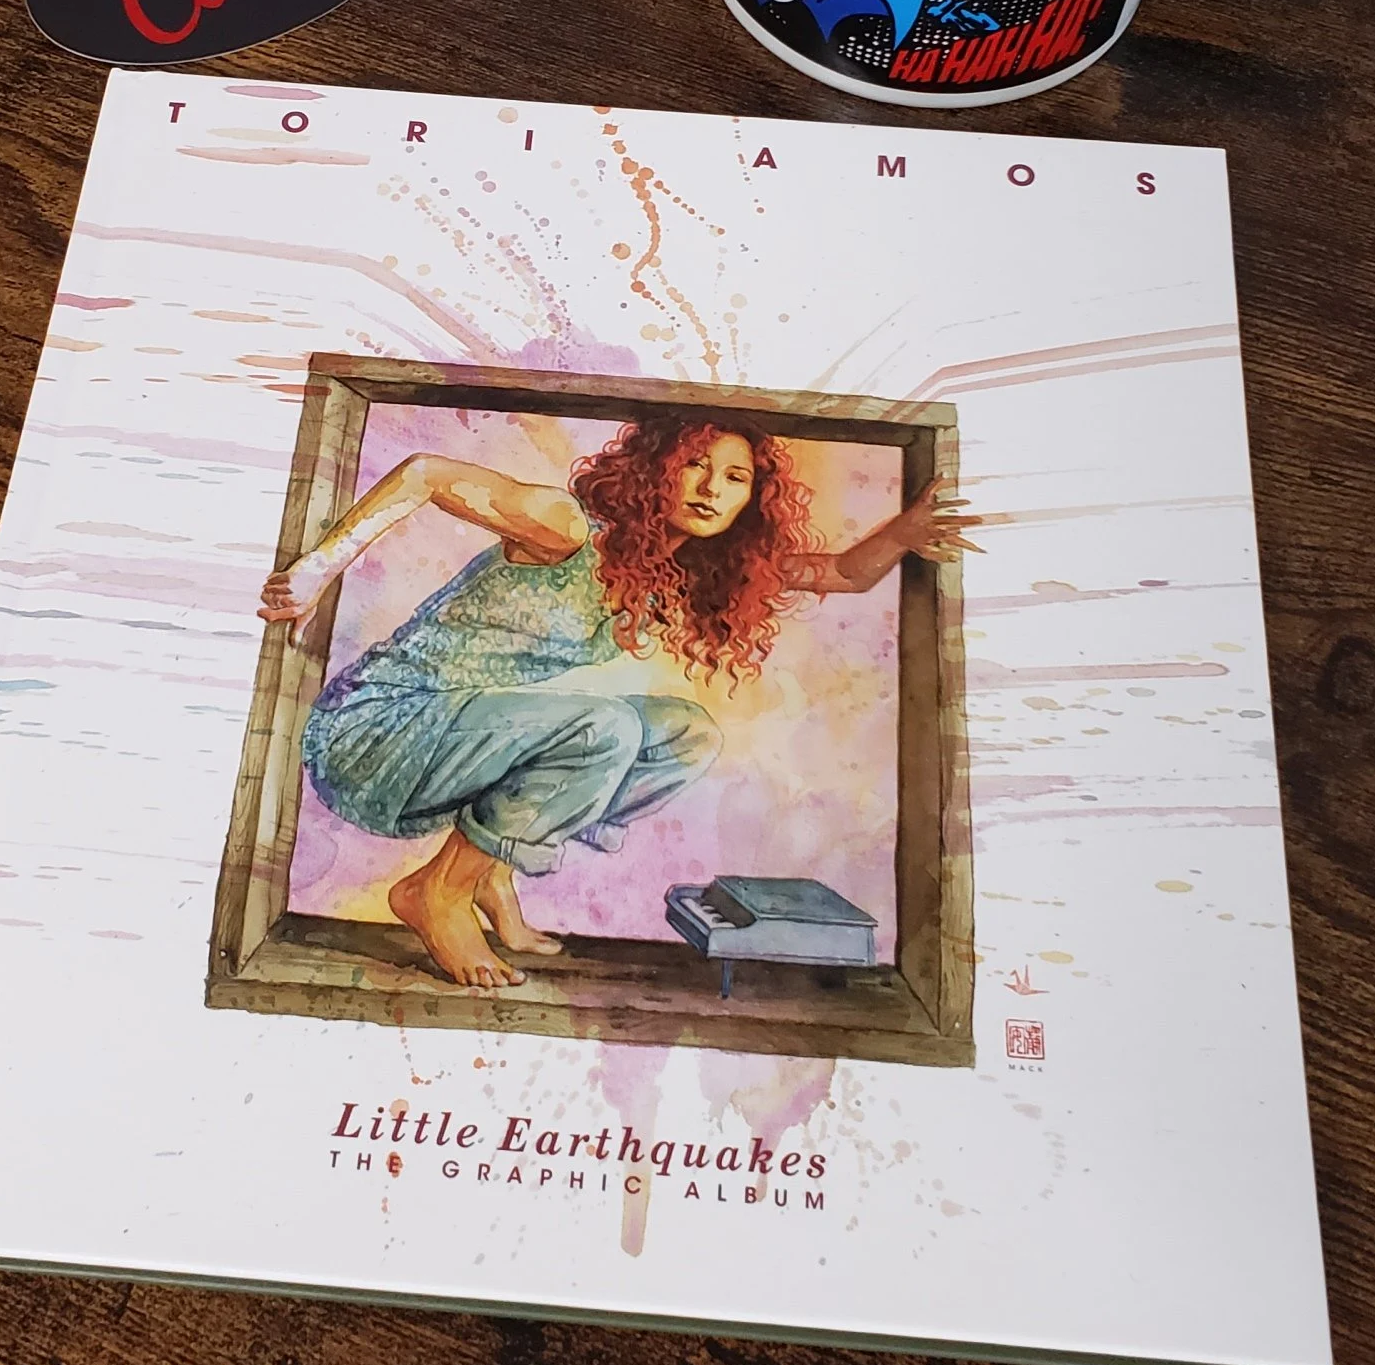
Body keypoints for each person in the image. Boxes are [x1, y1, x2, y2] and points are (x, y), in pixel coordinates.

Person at [259, 415, 977, 989]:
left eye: (735, 478)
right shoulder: (566, 528)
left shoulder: (671, 573)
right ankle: (437, 893)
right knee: (603, 727)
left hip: (457, 740)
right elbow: (425, 473)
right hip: (376, 733)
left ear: (751, 502)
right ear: (654, 469)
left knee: (686, 734)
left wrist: (906, 532)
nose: (711, 489)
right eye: (695, 464)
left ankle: (489, 873)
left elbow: (843, 573)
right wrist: (316, 571)